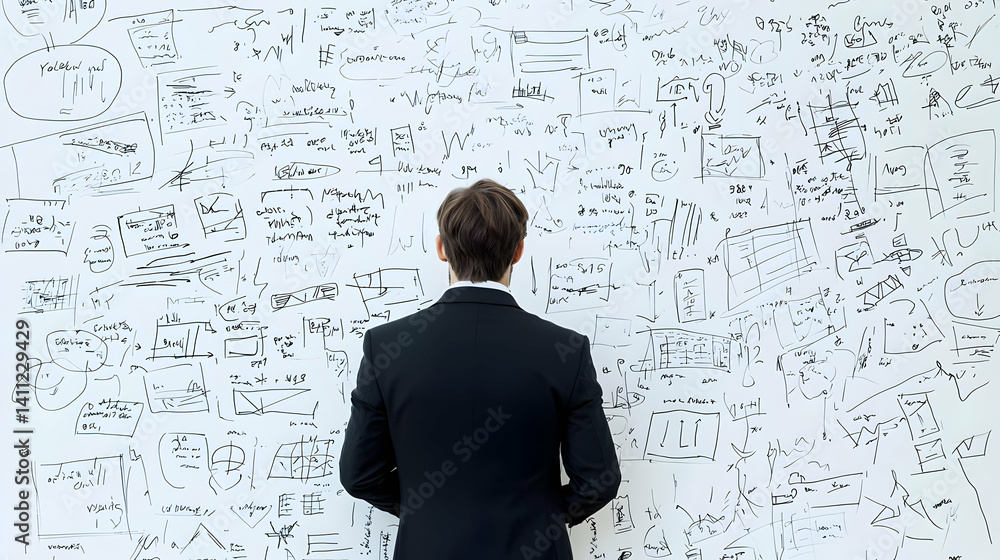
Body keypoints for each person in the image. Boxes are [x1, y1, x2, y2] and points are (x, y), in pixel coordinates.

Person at [339, 178, 620, 559]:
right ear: (518, 251)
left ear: (442, 249)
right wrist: (541, 520)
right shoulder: (566, 351)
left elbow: (359, 475)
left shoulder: (385, 347)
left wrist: (427, 511)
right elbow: (599, 480)